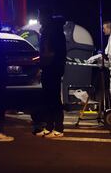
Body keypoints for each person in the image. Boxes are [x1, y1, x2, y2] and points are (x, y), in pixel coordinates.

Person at [35, 8, 67, 138]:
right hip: (48, 68)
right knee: (48, 98)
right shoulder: (48, 30)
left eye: (40, 15)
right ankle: (49, 126)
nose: (38, 18)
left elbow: (57, 52)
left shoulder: (54, 31)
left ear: (46, 16)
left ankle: (58, 128)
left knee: (54, 98)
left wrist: (47, 62)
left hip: (53, 68)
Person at [87, 21, 111, 113]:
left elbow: (109, 53)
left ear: (109, 28)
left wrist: (98, 57)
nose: (103, 31)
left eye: (104, 28)